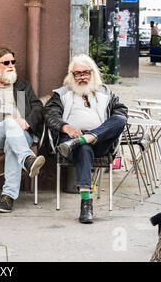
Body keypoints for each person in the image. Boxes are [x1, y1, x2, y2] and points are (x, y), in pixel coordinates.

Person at [44, 54, 127, 224]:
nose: (82, 77)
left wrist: (90, 135)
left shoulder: (106, 93)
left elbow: (121, 112)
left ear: (93, 73)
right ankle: (86, 205)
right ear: (71, 76)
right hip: (70, 143)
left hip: (100, 142)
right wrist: (66, 127)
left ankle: (87, 138)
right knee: (83, 148)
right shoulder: (61, 95)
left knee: (119, 119)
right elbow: (50, 114)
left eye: (86, 73)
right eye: (77, 73)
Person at [0, 46, 45, 213]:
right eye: (6, 62)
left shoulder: (23, 86)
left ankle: (7, 197)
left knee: (13, 143)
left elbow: (38, 107)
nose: (11, 65)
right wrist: (9, 118)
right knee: (10, 124)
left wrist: (27, 121)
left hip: (22, 133)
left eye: (13, 62)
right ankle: (27, 158)